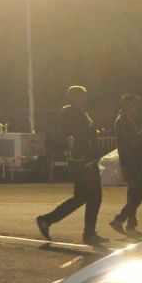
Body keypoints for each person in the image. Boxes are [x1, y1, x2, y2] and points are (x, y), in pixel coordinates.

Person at [37, 85, 107, 245]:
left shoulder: (76, 112)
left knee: (82, 196)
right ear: (74, 97)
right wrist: (88, 157)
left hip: (81, 160)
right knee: (94, 196)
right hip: (83, 161)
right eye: (81, 96)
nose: (84, 98)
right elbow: (78, 137)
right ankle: (89, 233)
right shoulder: (72, 113)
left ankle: (47, 220)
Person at [110, 93, 142, 238]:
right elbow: (134, 141)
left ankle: (131, 225)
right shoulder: (124, 121)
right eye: (133, 105)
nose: (135, 108)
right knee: (140, 192)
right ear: (126, 105)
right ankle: (120, 219)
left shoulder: (126, 120)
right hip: (131, 160)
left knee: (133, 193)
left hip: (130, 159)